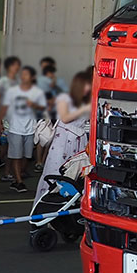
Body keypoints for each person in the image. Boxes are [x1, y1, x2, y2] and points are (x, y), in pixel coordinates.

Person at [38, 70, 92, 201]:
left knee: (74, 176)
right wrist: (85, 109)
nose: (88, 89)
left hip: (79, 142)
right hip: (62, 142)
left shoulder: (87, 101)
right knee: (54, 173)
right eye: (86, 85)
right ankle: (44, 208)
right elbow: (65, 117)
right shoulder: (65, 98)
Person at [0, 65, 46, 194]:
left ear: (32, 77)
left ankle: (16, 178)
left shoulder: (37, 92)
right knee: (16, 156)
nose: (23, 76)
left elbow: (42, 108)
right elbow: (4, 106)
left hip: (30, 128)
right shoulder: (12, 91)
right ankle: (19, 181)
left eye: (26, 74)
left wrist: (34, 105)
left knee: (26, 156)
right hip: (15, 128)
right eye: (22, 74)